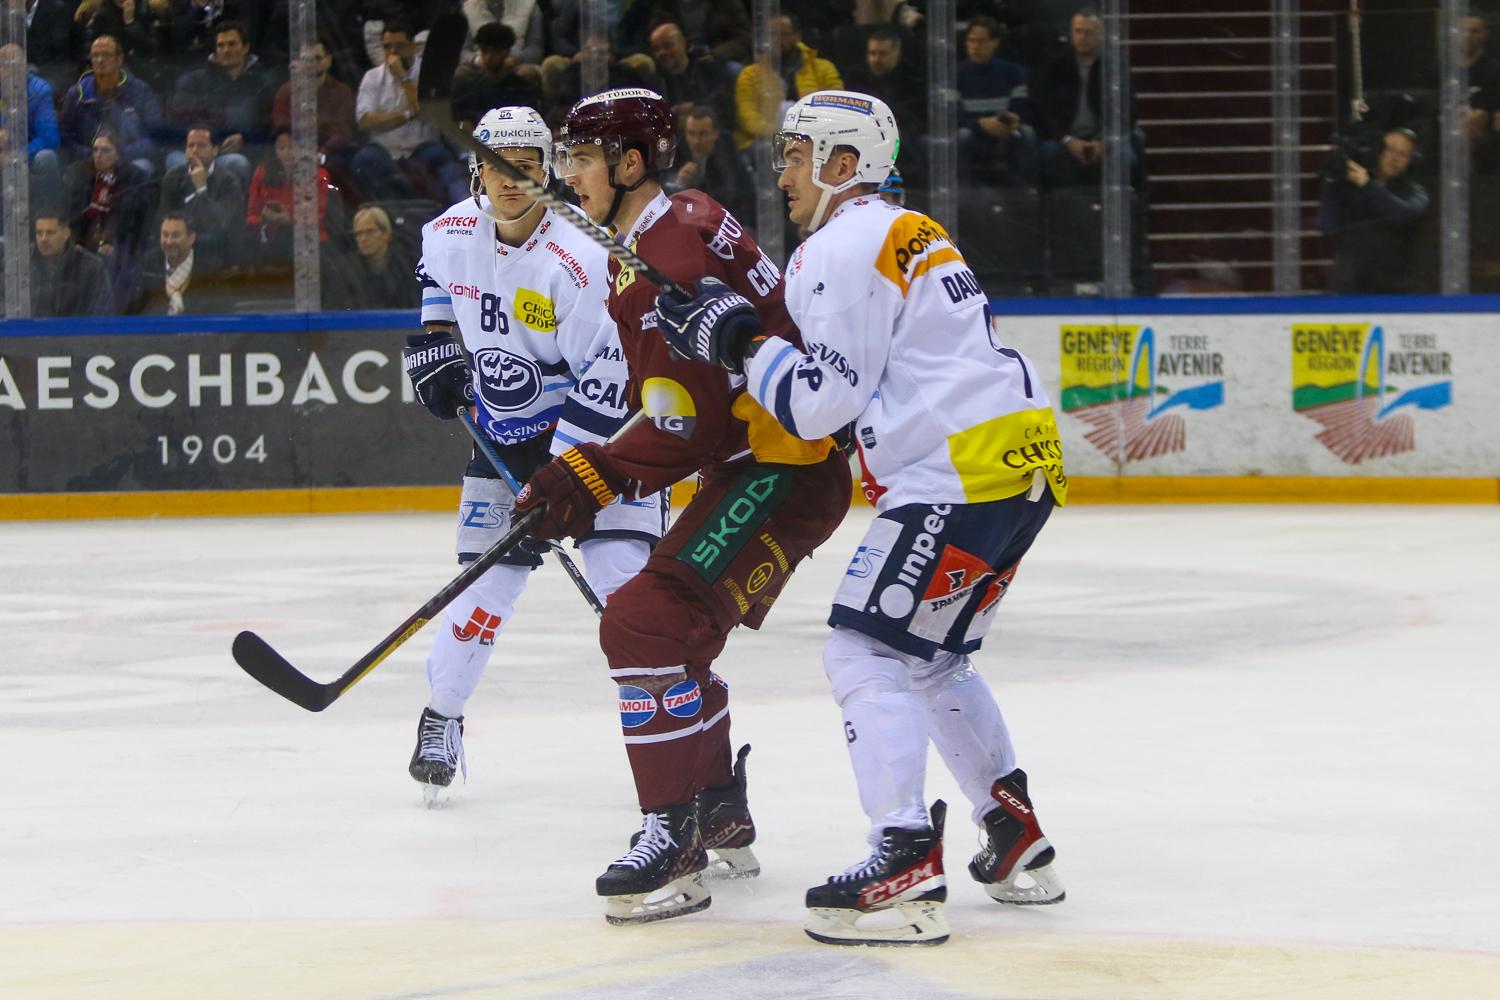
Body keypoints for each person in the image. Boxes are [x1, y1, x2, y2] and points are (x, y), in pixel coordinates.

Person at [653, 90, 1069, 946]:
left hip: (956, 475)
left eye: (797, 155)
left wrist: (737, 344)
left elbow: (822, 404)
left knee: (862, 650)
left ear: (845, 165)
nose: (784, 173)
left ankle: (904, 858)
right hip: (1019, 464)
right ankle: (1012, 833)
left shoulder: (838, 245)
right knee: (933, 659)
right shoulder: (908, 229)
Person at [514, 88, 852, 925]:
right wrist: (593, 471)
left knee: (643, 623)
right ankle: (715, 807)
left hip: (781, 468)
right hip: (767, 463)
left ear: (630, 163)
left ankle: (674, 840)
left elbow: (691, 426)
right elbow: (689, 411)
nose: (567, 176)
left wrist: (590, 476)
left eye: (582, 158)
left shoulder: (662, 257)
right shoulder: (679, 221)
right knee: (677, 631)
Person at [402, 105, 664, 805]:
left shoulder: (582, 256)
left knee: (626, 591)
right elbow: (437, 287)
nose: (512, 178)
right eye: (498, 165)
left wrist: (566, 478)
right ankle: (441, 717)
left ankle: (677, 732)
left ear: (548, 171)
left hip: (602, 444)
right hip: (505, 439)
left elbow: (609, 376)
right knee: (480, 592)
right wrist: (434, 348)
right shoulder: (448, 232)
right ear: (476, 171)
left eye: (527, 165)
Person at [353, 18, 468, 205]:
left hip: (422, 148)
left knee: (443, 160)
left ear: (413, 47)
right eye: (387, 47)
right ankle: (392, 211)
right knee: (363, 159)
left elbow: (425, 110)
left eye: (399, 46)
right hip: (384, 150)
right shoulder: (372, 77)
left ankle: (461, 211)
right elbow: (365, 120)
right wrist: (407, 115)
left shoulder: (429, 71)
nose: (393, 52)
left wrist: (403, 78)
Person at [1032, 8, 1137, 190]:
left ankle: (1111, 202)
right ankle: (1068, 203)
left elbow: (1126, 111)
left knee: (1124, 156)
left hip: (1104, 139)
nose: (1082, 37)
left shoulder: (1115, 67)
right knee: (1049, 153)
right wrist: (1067, 140)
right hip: (1065, 138)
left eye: (1088, 32)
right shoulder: (1055, 66)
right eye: (1078, 31)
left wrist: (1104, 141)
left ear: (1101, 35)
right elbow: (1044, 110)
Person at [1318, 127, 1429, 295]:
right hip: (1349, 286)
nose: (1394, 158)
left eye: (1402, 154)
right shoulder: (1351, 185)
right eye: (1389, 149)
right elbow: (1328, 227)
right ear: (1377, 150)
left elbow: (1403, 215)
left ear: (1410, 160)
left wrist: (1368, 185)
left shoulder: (1415, 192)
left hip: (1396, 287)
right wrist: (1331, 184)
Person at [169, 20, 276, 187]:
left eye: (232, 44)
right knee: (175, 162)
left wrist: (245, 138)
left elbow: (269, 123)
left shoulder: (262, 82)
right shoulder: (194, 82)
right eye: (221, 45)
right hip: (197, 150)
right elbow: (179, 119)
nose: (226, 50)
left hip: (245, 152)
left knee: (237, 163)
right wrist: (209, 142)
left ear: (246, 47)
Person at [733, 13, 843, 152]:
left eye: (782, 34)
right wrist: (785, 135)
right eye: (771, 34)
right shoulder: (749, 74)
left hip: (814, 138)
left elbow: (838, 107)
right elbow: (748, 119)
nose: (775, 40)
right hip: (766, 142)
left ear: (797, 36)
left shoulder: (823, 69)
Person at [58, 33, 165, 173]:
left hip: (130, 159)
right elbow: (66, 138)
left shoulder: (140, 90)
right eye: (95, 55)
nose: (100, 60)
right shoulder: (76, 93)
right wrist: (94, 154)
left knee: (142, 167)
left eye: (106, 55)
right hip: (89, 160)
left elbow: (155, 135)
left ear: (119, 59)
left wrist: (118, 154)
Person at [64, 128, 155, 286]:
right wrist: (75, 241)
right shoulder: (80, 174)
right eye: (95, 150)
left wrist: (111, 242)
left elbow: (130, 219)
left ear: (118, 154)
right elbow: (72, 213)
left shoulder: (134, 178)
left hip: (118, 243)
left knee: (110, 261)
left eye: (105, 150)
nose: (98, 155)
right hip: (83, 241)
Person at [158, 124, 247, 270]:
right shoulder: (173, 177)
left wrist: (201, 189)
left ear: (215, 150)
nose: (194, 151)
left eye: (201, 146)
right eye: (190, 145)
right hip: (178, 245)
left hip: (215, 250)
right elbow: (164, 218)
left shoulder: (229, 181)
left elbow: (218, 225)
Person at [122, 211, 237, 315]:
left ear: (191, 238)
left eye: (175, 235)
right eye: (165, 235)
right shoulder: (144, 267)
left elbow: (225, 313)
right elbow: (128, 311)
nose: (169, 241)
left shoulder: (211, 272)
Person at [245, 127, 332, 264]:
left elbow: (318, 214)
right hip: (270, 235)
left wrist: (291, 218)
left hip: (307, 236)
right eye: (281, 148)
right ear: (275, 150)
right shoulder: (262, 172)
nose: (287, 153)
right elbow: (252, 211)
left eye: (291, 147)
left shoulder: (319, 175)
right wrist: (263, 217)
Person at [665, 105, 753, 223]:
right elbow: (663, 193)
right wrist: (678, 182)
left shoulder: (728, 155)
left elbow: (739, 195)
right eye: (691, 133)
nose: (696, 141)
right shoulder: (675, 154)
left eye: (703, 134)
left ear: (715, 134)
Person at [450, 22, 544, 131]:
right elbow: (461, 122)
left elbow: (531, 123)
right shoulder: (466, 82)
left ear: (507, 52)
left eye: (496, 51)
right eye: (485, 51)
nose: (489, 57)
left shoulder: (522, 85)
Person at [324, 205, 420, 310]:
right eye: (358, 234)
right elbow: (337, 307)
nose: (363, 239)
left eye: (369, 232)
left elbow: (415, 301)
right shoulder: (344, 269)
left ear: (386, 234)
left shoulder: (406, 265)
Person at [0, 44, 62, 191]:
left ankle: (47, 206)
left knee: (47, 158)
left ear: (25, 67)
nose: (9, 70)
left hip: (28, 154)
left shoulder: (40, 90)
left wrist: (16, 157)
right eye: (4, 65)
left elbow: (50, 138)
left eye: (15, 64)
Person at [31, 208, 114, 317]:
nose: (43, 239)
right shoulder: (21, 263)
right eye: (39, 233)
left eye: (50, 233)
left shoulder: (91, 267)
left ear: (66, 234)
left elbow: (101, 313)